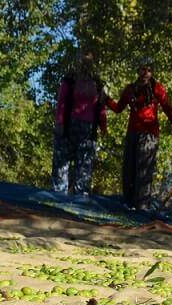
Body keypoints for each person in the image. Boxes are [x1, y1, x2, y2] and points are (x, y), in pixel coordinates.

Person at [108, 64, 172, 209]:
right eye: (143, 69)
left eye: (149, 70)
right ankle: (128, 203)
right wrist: (106, 99)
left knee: (144, 171)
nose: (146, 73)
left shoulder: (157, 88)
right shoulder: (130, 89)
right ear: (138, 71)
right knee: (129, 168)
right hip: (132, 132)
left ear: (152, 73)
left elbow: (168, 109)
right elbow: (118, 108)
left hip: (149, 134)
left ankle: (142, 206)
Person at [51, 50, 108, 196]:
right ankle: (59, 194)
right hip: (69, 126)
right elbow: (62, 103)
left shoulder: (98, 83)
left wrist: (103, 127)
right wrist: (60, 123)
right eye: (82, 61)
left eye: (88, 61)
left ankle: (80, 198)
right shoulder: (69, 80)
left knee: (84, 164)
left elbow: (101, 106)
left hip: (88, 130)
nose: (84, 64)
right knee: (62, 160)